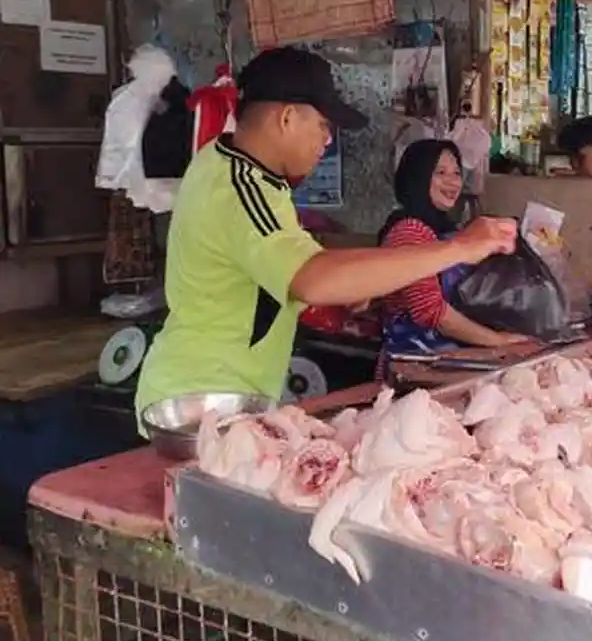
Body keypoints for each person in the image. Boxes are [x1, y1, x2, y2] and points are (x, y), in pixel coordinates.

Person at [135, 47, 517, 426]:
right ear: (287, 118)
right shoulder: (239, 189)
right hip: (199, 400)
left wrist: (344, 292)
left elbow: (272, 271)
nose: (328, 141)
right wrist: (459, 247)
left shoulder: (241, 170)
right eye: (322, 125)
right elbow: (311, 278)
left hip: (231, 393)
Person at [375, 139, 529, 375]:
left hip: (445, 359)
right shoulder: (409, 231)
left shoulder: (445, 229)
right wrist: (497, 340)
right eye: (440, 173)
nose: (453, 181)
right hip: (414, 366)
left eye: (456, 173)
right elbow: (430, 312)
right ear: (417, 177)